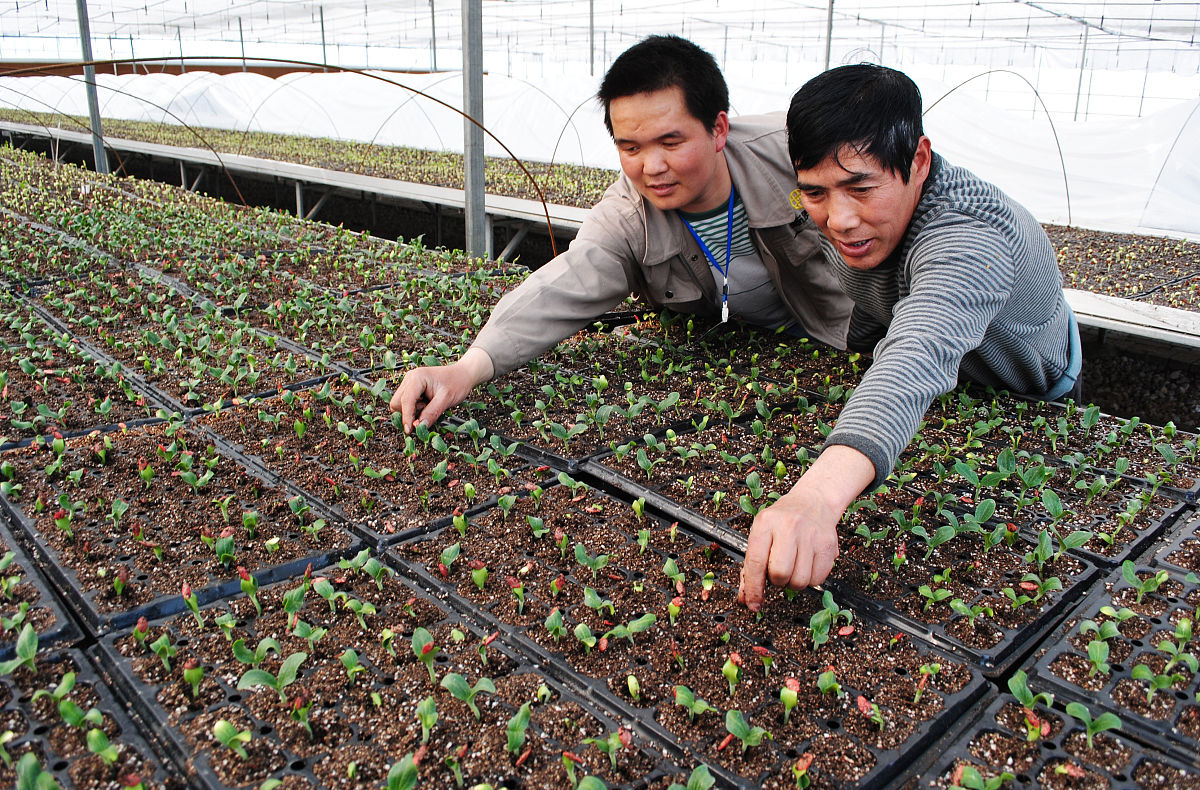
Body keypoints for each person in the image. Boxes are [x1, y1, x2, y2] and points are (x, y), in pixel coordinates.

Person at [737, 64, 1081, 611]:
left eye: (860, 188)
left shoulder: (971, 236)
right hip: (950, 381)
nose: (840, 220)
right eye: (815, 193)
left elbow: (918, 353)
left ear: (918, 161)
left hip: (1028, 392)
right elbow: (882, 309)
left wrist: (818, 496)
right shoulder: (841, 218)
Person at [389, 34, 853, 430]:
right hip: (759, 363)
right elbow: (563, 285)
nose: (652, 167)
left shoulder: (799, 152)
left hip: (850, 344)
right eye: (630, 147)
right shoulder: (629, 214)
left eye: (671, 142)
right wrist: (466, 369)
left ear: (718, 129)